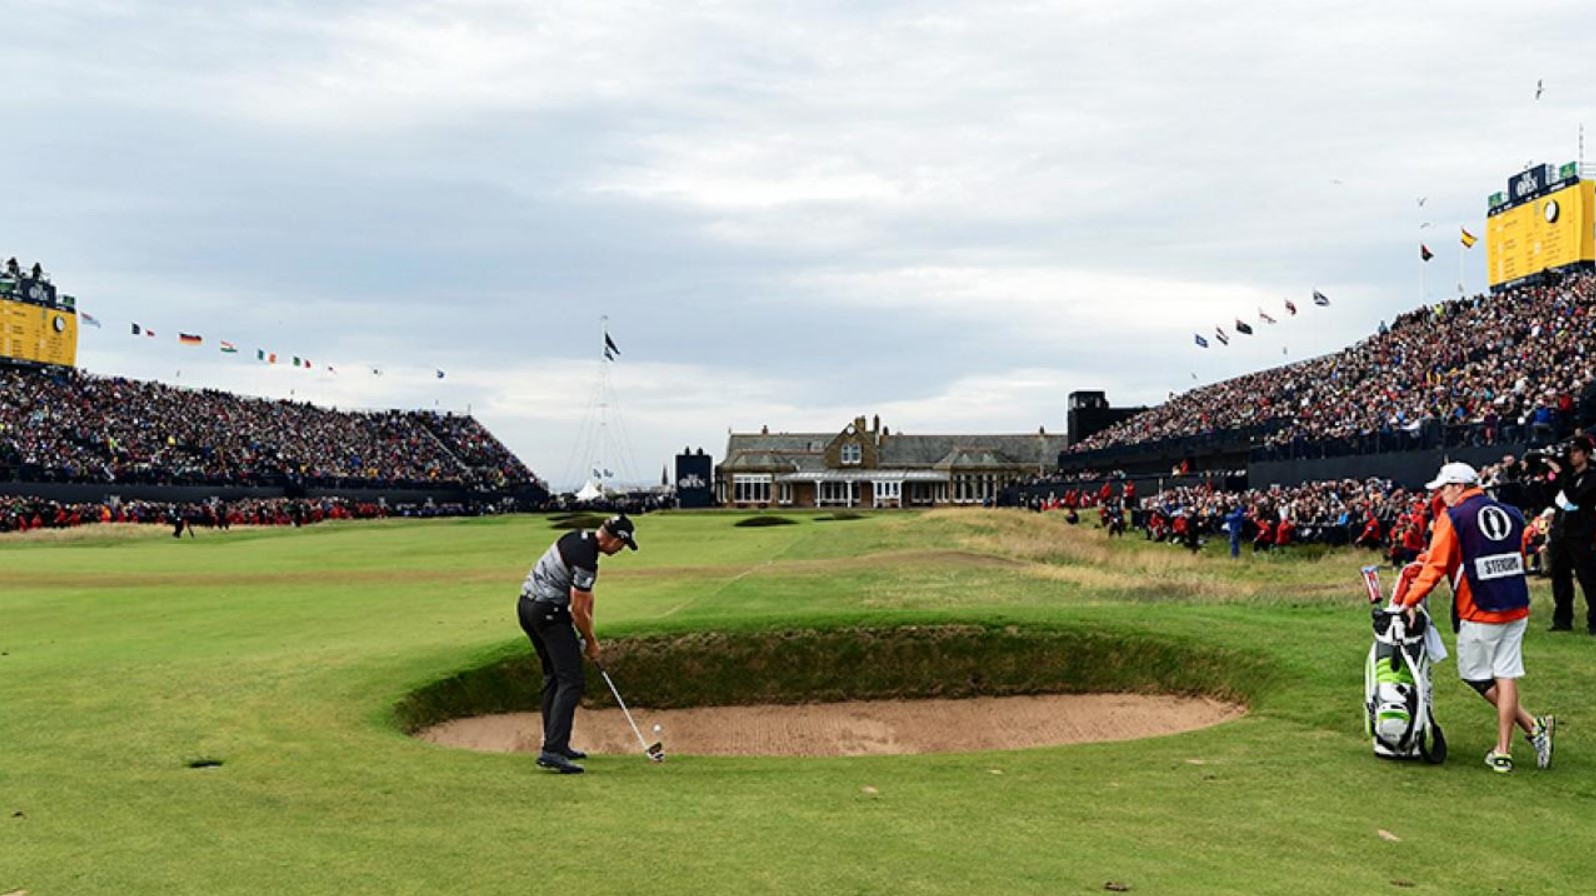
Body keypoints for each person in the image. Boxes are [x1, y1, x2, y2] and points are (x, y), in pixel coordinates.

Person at [1395, 462, 1554, 773]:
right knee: (1505, 674)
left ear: (1459, 486)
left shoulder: (1453, 517)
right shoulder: (1511, 512)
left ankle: (1532, 727)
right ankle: (1506, 749)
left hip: (1479, 607)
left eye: (1444, 488)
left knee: (1475, 675)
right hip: (1515, 602)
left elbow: (1436, 566)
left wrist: (1409, 599)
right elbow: (1516, 552)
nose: (1441, 495)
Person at [516, 514, 638, 774]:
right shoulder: (585, 558)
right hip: (548, 612)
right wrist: (591, 642)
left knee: (554, 675)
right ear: (614, 539)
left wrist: (585, 634)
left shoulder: (578, 540)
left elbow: (586, 599)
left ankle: (555, 744)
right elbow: (578, 610)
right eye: (622, 545)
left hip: (527, 607)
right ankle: (552, 751)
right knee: (571, 679)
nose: (621, 550)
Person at [1539, 435, 1596, 633]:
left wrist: (1562, 474)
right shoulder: (1568, 477)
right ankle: (1562, 619)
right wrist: (1550, 475)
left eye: (1576, 451)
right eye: (1570, 452)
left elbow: (1576, 497)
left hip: (1580, 534)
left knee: (1588, 578)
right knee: (1560, 577)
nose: (1572, 455)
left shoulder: (1591, 477)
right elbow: (1548, 496)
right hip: (1560, 534)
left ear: (1586, 454)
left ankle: (1594, 620)